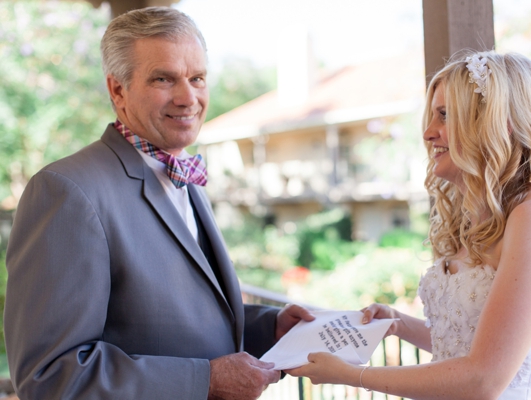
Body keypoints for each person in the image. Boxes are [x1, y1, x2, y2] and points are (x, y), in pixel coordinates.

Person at [4, 7, 313, 400]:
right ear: (118, 90)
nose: (188, 98)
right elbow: (49, 376)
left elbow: (166, 318)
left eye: (197, 78)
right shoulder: (65, 191)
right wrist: (207, 381)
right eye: (164, 79)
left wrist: (268, 328)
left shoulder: (186, 178)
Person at [287, 51, 531, 399]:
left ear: (495, 121)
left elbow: (483, 377)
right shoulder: (476, 218)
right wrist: (397, 323)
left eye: (445, 116)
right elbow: (465, 344)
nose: (428, 132)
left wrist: (353, 375)